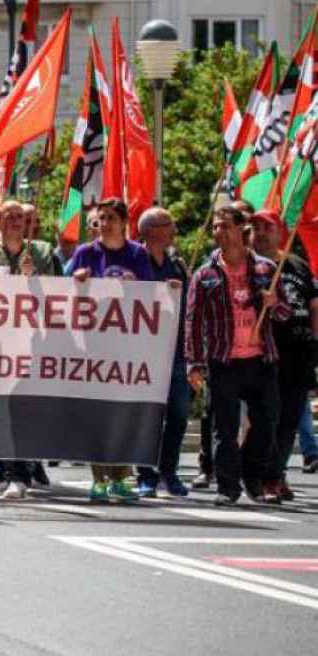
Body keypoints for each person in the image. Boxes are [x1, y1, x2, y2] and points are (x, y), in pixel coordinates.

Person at [185, 206, 282, 507]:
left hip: (260, 358)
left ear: (242, 229)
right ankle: (227, 487)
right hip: (223, 359)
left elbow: (284, 313)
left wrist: (274, 302)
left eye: (225, 226)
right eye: (215, 227)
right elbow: (193, 320)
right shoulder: (205, 274)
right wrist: (194, 362)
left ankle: (252, 478)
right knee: (223, 428)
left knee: (267, 422)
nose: (219, 233)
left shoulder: (266, 269)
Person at [0, 200, 61, 499]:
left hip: (31, 344)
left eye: (20, 217)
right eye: (8, 216)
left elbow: (62, 293)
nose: (15, 221)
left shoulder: (42, 253)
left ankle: (20, 473)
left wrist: (34, 278)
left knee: (22, 409)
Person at [65, 198, 154, 503]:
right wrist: (75, 281)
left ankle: (121, 478)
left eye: (111, 217)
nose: (105, 223)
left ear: (124, 222)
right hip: (93, 347)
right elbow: (61, 293)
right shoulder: (85, 253)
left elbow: (153, 297)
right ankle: (99, 479)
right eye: (101, 218)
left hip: (127, 350)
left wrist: (139, 285)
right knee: (98, 414)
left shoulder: (137, 254)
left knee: (122, 414)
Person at [247, 211, 317, 503]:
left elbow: (314, 305)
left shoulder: (298, 265)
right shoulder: (248, 266)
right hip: (264, 353)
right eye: (256, 228)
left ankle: (275, 475)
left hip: (298, 352)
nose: (262, 233)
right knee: (266, 417)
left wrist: (315, 343)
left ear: (281, 232)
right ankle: (261, 476)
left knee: (289, 419)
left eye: (268, 227)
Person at [133, 207, 192, 498]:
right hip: (143, 352)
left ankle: (168, 471)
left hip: (176, 351)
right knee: (146, 415)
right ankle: (145, 473)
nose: (174, 230)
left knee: (179, 414)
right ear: (154, 230)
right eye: (169, 224)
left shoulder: (177, 265)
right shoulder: (134, 261)